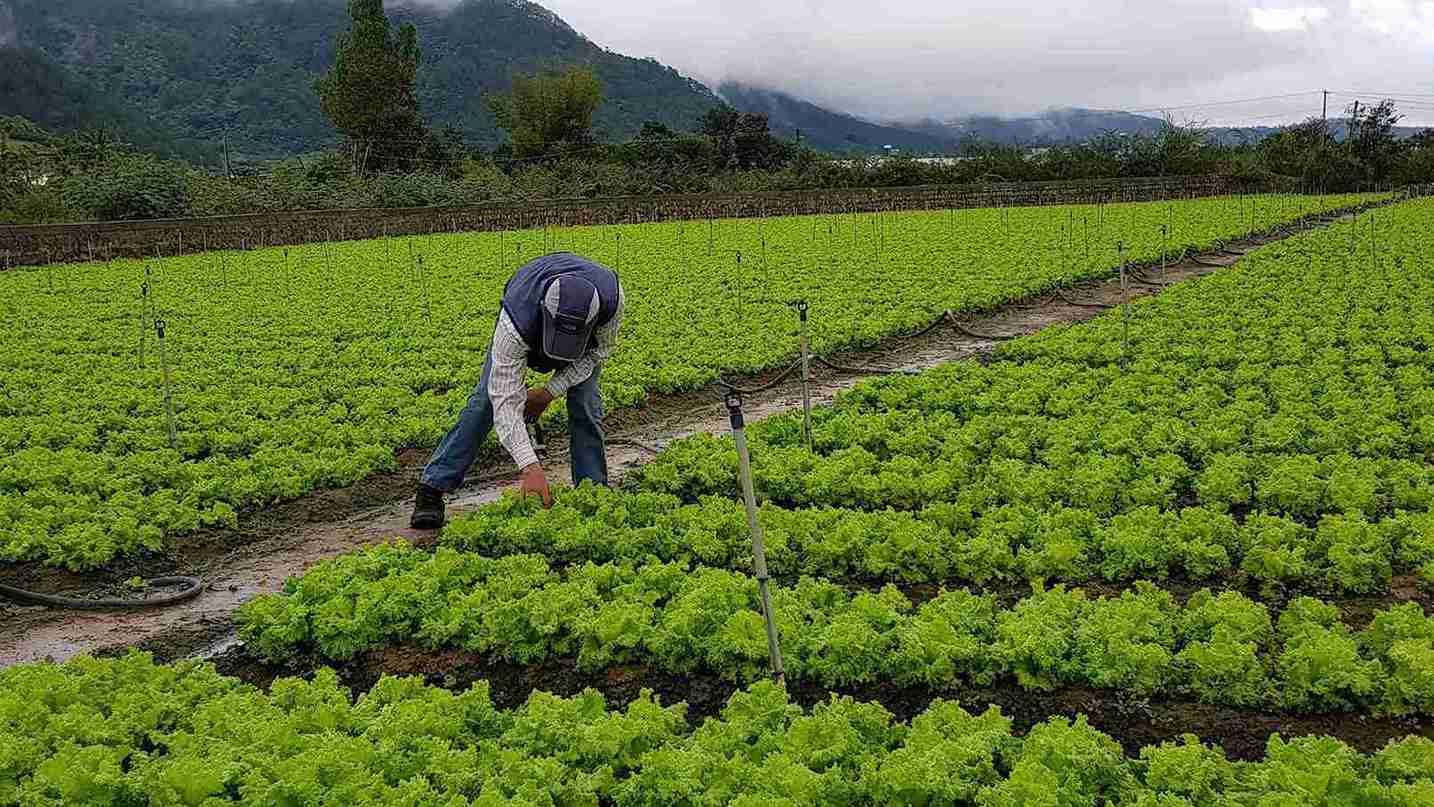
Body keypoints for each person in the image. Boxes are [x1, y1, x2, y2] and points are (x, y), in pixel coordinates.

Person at [410, 252, 624, 529]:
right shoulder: (516, 319)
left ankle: (593, 491)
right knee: (485, 401)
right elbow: (504, 397)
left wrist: (548, 393)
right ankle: (432, 487)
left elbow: (600, 352)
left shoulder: (611, 301)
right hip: (527, 323)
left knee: (586, 403)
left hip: (583, 343)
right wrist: (529, 466)